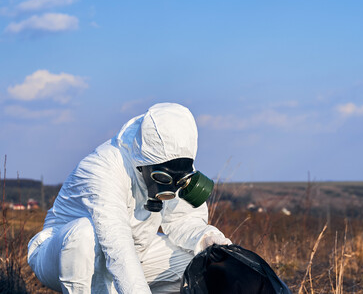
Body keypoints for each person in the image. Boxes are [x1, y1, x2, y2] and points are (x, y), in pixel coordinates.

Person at [27, 103, 231, 294]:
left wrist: (205, 237)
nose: (169, 187)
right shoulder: (104, 167)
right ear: (144, 162)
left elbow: (182, 220)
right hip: (62, 254)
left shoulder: (177, 164)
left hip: (134, 252)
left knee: (197, 265)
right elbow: (117, 246)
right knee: (84, 234)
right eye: (162, 177)